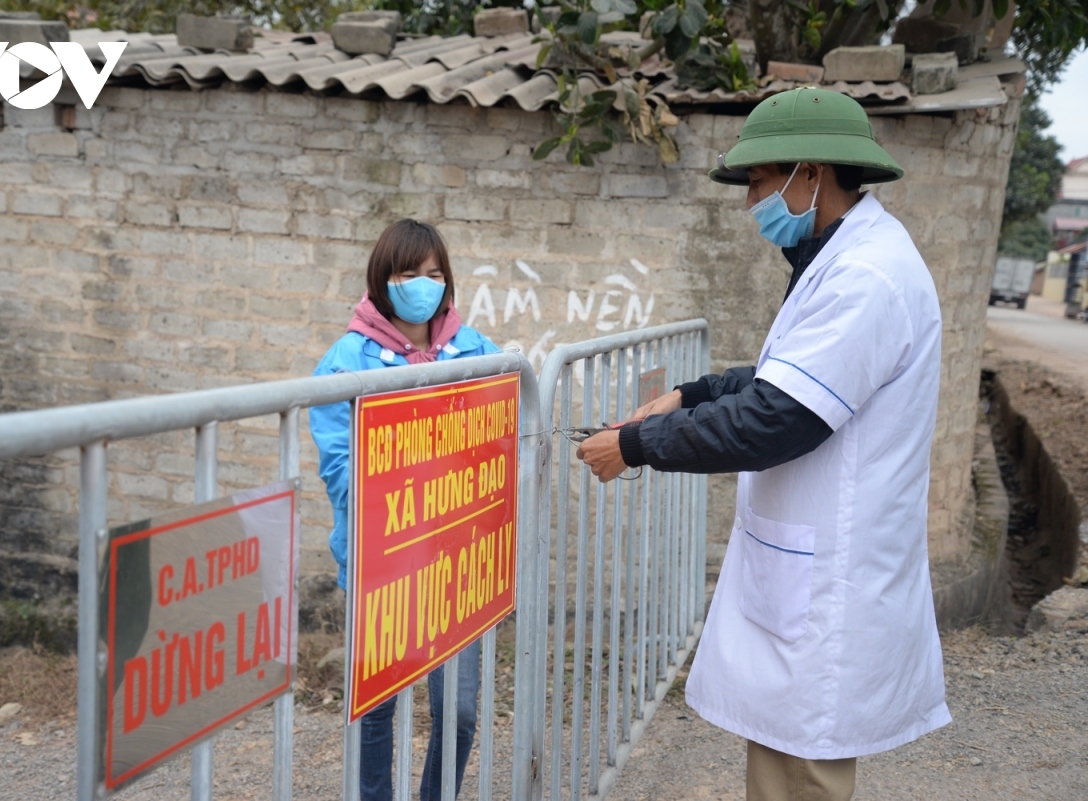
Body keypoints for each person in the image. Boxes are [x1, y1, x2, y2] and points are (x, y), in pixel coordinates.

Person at [576, 87, 950, 801]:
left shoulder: (867, 275)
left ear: (810, 174)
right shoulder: (845, 257)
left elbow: (776, 417)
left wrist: (637, 443)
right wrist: (694, 393)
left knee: (800, 779)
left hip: (832, 585)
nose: (752, 202)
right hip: (811, 572)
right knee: (784, 767)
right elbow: (786, 377)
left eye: (757, 181)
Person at [309, 219, 499, 801]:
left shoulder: (478, 350)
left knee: (460, 711)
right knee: (377, 708)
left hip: (458, 562)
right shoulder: (347, 361)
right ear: (382, 280)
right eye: (409, 273)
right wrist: (404, 508)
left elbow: (500, 436)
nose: (423, 284)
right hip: (384, 563)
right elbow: (340, 465)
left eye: (434, 274)